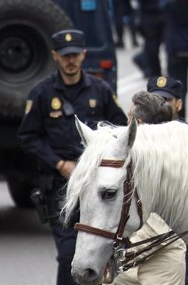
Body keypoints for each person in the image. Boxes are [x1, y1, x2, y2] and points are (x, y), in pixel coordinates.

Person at [17, 29, 128, 285]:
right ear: (55, 56)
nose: (71, 60)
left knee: (102, 254)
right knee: (69, 256)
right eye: (65, 56)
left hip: (97, 187)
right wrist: (59, 163)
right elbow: (28, 137)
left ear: (84, 55)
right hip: (61, 188)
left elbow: (121, 131)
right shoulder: (42, 94)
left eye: (76, 55)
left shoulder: (100, 90)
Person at [112, 90, 187, 285]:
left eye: (129, 117)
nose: (124, 124)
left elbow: (161, 227)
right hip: (125, 261)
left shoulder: (172, 158)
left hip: (162, 261)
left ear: (139, 125)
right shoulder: (121, 155)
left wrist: (111, 250)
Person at [145, 75, 188, 285]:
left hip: (179, 222)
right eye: (156, 100)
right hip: (146, 223)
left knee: (186, 275)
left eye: (166, 100)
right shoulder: (139, 135)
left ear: (179, 103)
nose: (161, 105)